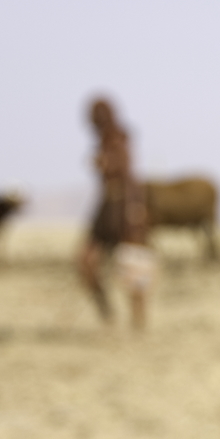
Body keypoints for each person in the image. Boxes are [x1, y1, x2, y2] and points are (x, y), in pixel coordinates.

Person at [79, 98, 153, 330]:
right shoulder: (105, 139)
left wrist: (134, 211)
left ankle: (137, 320)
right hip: (107, 206)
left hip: (124, 207)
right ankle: (108, 314)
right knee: (86, 261)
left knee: (133, 265)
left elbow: (124, 170)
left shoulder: (118, 137)